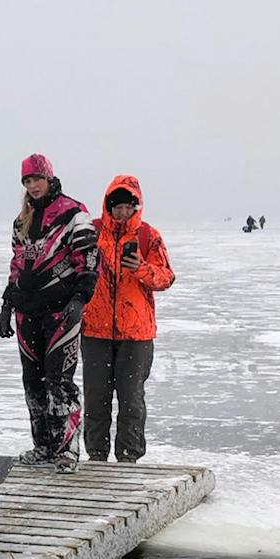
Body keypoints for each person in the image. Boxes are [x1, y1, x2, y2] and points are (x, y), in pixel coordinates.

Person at [0, 154, 98, 473]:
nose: (32, 186)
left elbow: (89, 257)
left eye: (36, 179)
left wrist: (81, 298)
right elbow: (17, 266)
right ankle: (43, 445)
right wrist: (6, 305)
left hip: (61, 313)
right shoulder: (21, 221)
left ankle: (67, 449)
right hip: (27, 313)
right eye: (27, 181)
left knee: (59, 381)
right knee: (33, 382)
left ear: (49, 178)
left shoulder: (73, 213)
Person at [81, 176, 174, 464]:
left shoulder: (148, 236)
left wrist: (141, 269)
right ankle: (96, 454)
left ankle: (128, 456)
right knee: (96, 399)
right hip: (95, 331)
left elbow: (166, 277)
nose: (122, 213)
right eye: (116, 207)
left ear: (136, 207)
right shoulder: (92, 232)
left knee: (131, 399)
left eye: (127, 207)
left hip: (136, 334)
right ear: (108, 206)